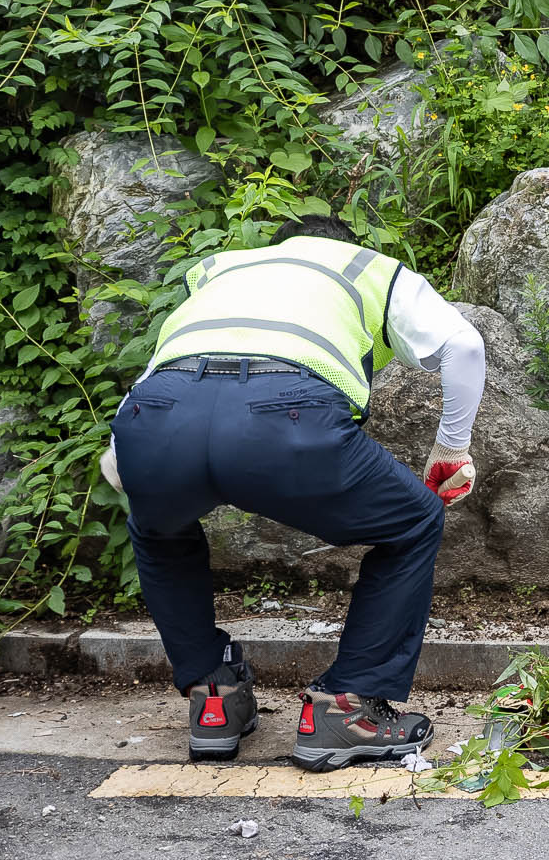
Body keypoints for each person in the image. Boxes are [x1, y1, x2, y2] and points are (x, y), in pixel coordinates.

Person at [105, 213, 485, 769]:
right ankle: (345, 709)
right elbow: (466, 348)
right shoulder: (365, 267)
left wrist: (134, 468)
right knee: (414, 519)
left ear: (281, 247)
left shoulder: (221, 271)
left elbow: (158, 377)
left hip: (158, 416)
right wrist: (450, 450)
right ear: (341, 245)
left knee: (157, 529)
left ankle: (214, 698)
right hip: (284, 413)